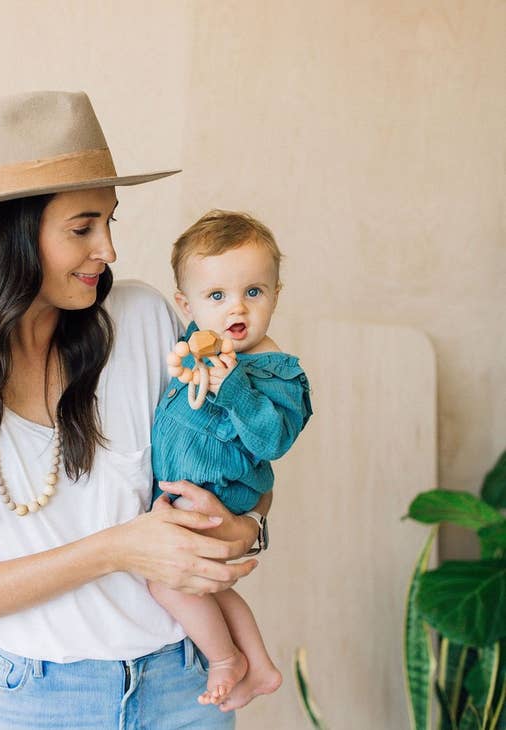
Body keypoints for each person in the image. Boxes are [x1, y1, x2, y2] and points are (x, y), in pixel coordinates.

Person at [0, 91, 271, 729]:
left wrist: (250, 526)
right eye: (82, 228)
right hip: (34, 701)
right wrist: (116, 549)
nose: (107, 249)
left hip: (186, 688)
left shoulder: (145, 320)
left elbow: (235, 462)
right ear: (11, 236)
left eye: (110, 221)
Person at [149, 210, 313, 710]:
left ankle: (224, 659)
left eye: (254, 292)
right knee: (211, 588)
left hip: (220, 496)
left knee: (165, 582)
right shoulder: (200, 348)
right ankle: (259, 664)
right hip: (184, 494)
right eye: (216, 296)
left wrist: (235, 390)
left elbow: (273, 441)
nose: (236, 307)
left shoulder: (277, 373)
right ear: (187, 304)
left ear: (276, 295)